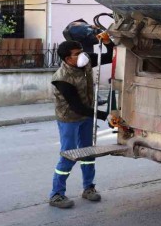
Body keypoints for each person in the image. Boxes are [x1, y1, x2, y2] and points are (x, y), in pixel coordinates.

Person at [49, 36, 114, 209]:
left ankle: (88, 188)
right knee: (68, 155)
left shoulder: (84, 62)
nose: (83, 56)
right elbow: (77, 107)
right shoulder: (61, 78)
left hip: (86, 116)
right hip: (69, 119)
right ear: (67, 59)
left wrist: (107, 41)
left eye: (82, 51)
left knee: (88, 154)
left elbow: (111, 54)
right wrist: (104, 115)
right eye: (77, 53)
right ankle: (56, 194)